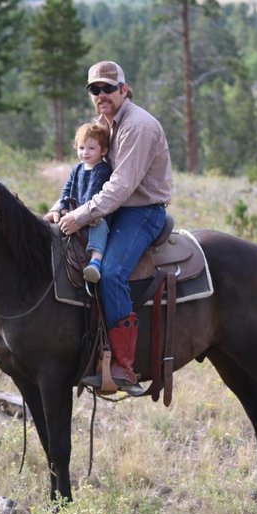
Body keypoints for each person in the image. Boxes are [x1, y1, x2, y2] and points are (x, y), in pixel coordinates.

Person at [58, 61, 173, 393]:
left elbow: (121, 187)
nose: (101, 94)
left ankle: (124, 365)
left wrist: (81, 215)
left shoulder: (138, 126)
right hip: (114, 208)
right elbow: (84, 168)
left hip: (142, 211)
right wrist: (62, 207)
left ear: (124, 89)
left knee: (109, 273)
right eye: (95, 89)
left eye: (108, 88)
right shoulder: (103, 124)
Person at [44, 121, 112, 283]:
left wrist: (79, 215)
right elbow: (66, 191)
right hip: (74, 214)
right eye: (81, 148)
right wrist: (62, 208)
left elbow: (94, 195)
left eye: (91, 148)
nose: (85, 153)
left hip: (94, 215)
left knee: (100, 227)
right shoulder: (77, 169)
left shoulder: (103, 170)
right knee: (54, 226)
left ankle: (95, 261)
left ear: (103, 150)